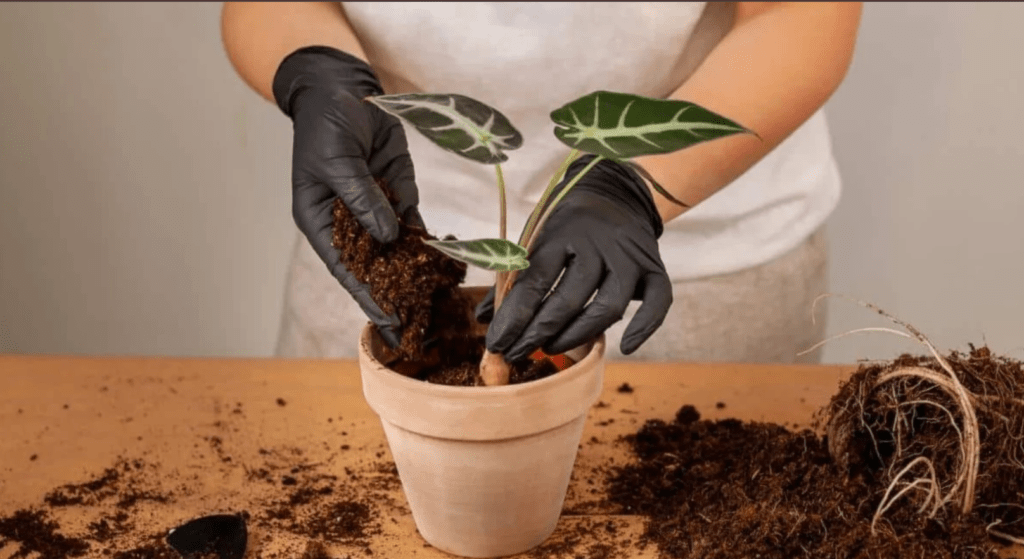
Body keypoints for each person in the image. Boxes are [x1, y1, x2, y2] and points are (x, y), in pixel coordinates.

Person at [221, 2, 862, 364]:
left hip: (691, 255)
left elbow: (802, 12)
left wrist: (639, 184)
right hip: (390, 246)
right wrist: (316, 71)